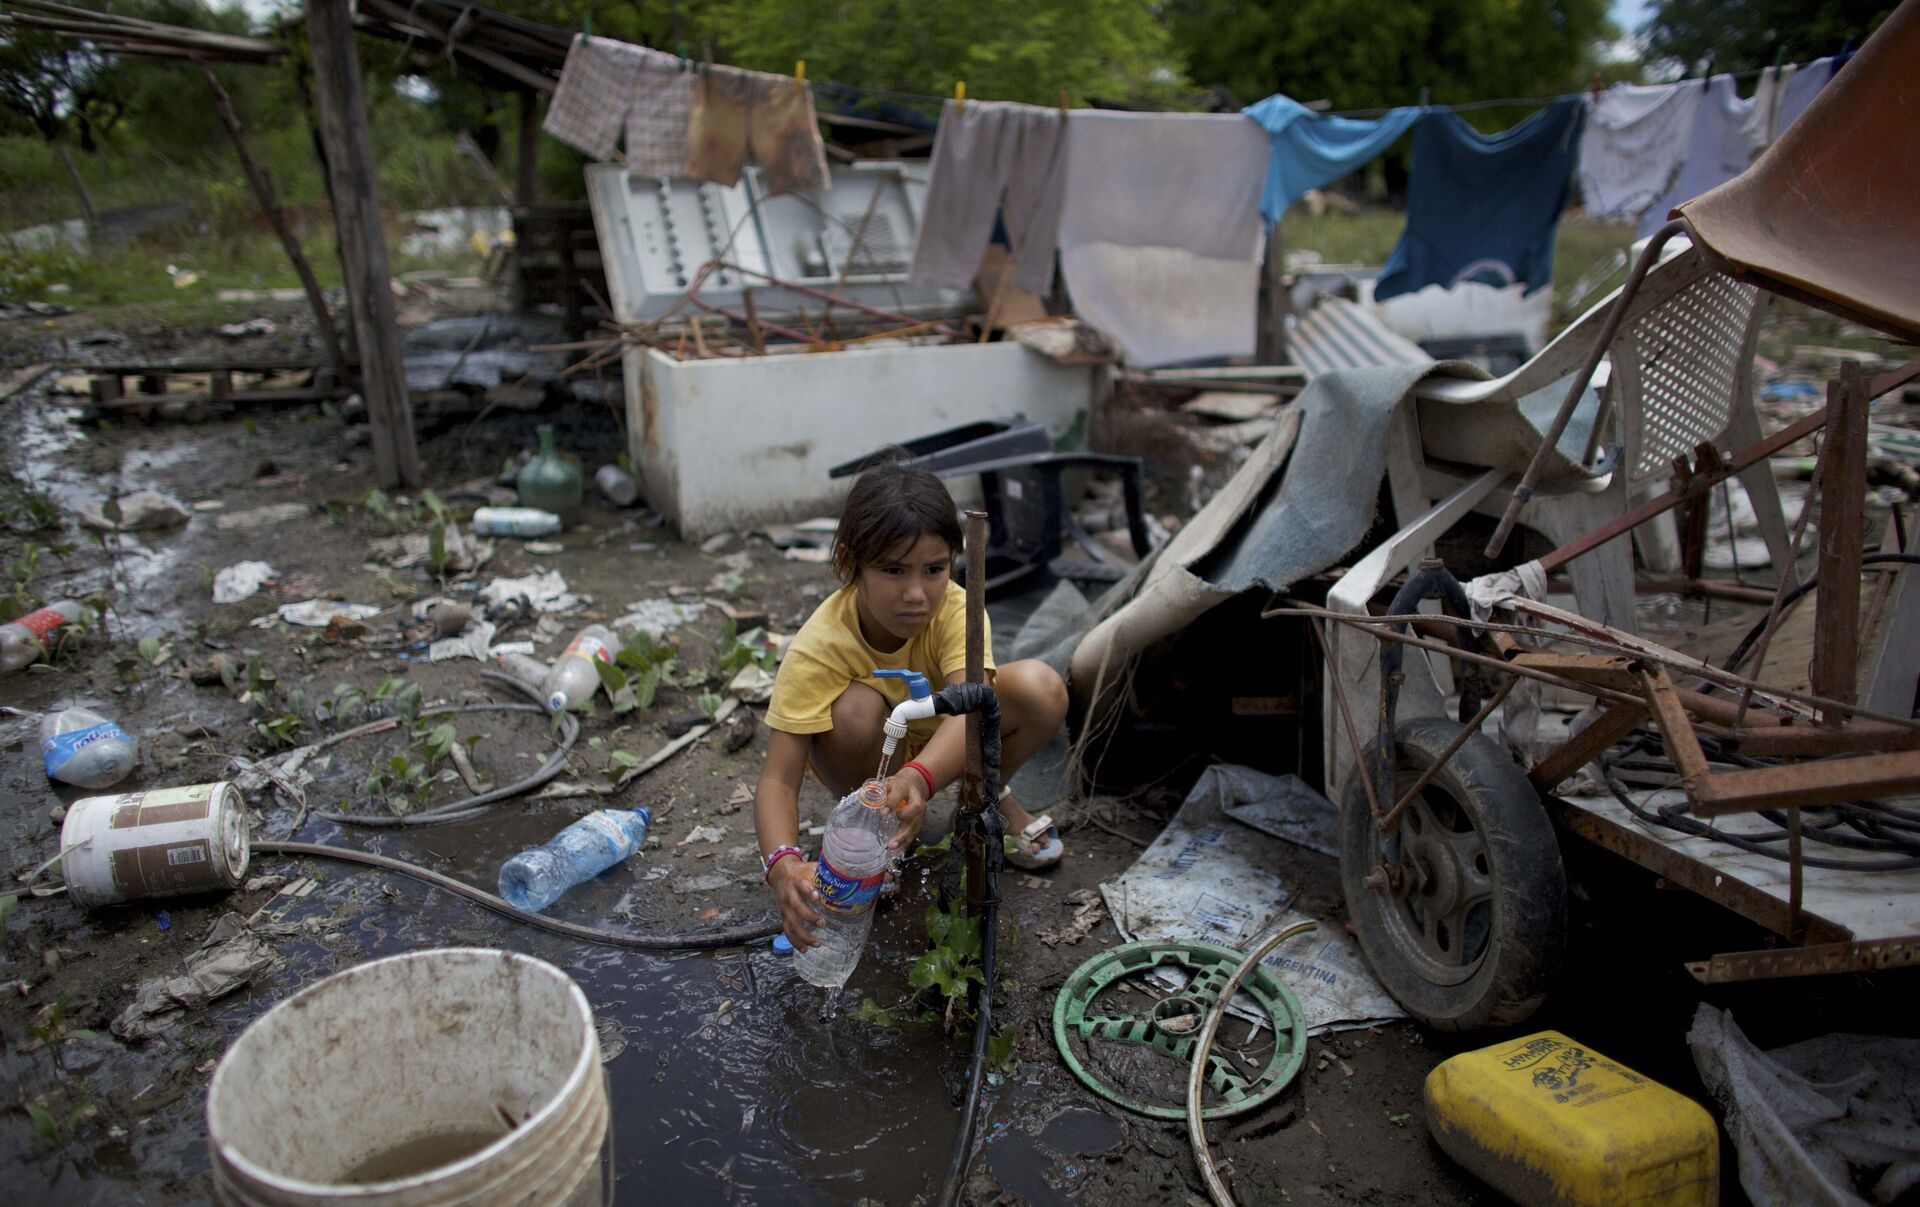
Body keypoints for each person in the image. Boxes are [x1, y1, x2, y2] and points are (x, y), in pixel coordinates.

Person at [754, 455, 1070, 950]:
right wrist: (783, 864)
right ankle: (879, 834)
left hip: (944, 742)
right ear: (849, 561)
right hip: (870, 755)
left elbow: (969, 709)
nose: (917, 593)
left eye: (934, 569)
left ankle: (985, 795)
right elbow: (777, 779)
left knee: (1041, 688)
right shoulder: (819, 646)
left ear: (953, 560)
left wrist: (920, 778)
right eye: (893, 569)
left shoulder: (956, 611)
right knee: (855, 711)